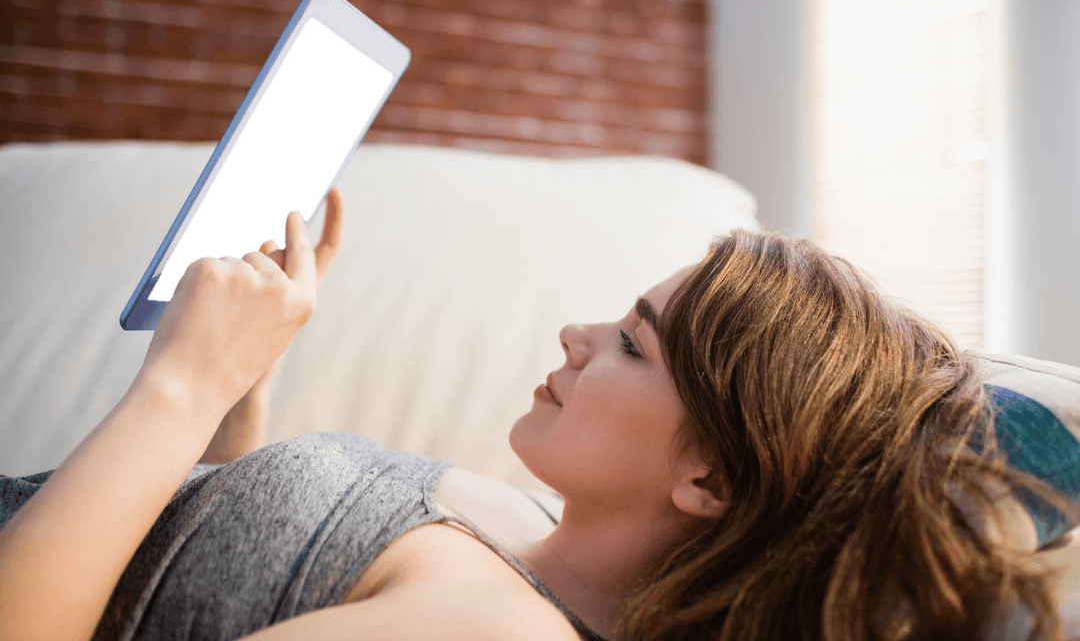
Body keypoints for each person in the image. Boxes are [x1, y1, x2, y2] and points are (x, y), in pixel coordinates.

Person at [1, 188, 1078, 641]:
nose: (576, 335)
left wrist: (176, 388)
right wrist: (237, 405)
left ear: (709, 480)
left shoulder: (491, 631)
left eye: (630, 345)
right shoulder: (524, 526)